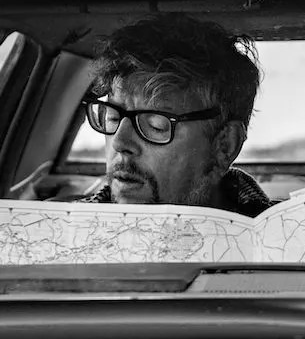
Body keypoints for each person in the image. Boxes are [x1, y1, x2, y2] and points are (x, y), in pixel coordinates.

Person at [77, 13, 275, 216]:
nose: (119, 143)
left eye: (155, 125)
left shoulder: (286, 234)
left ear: (224, 146)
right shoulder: (63, 228)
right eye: (113, 118)